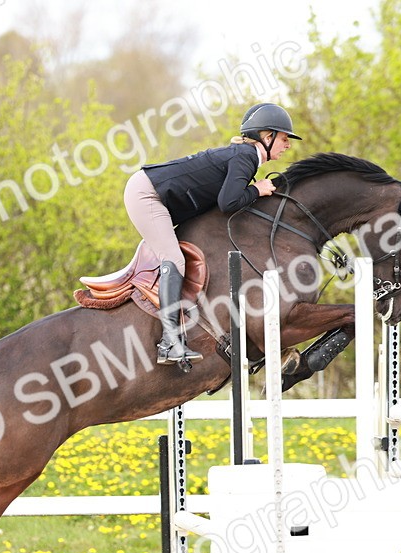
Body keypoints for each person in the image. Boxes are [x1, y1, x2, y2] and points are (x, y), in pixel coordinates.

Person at [125, 102, 300, 365]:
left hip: (152, 191)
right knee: (174, 259)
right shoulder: (246, 156)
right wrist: (258, 190)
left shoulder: (245, 156)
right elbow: (228, 203)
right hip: (147, 194)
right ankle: (169, 342)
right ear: (267, 137)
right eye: (284, 139)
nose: (287, 145)